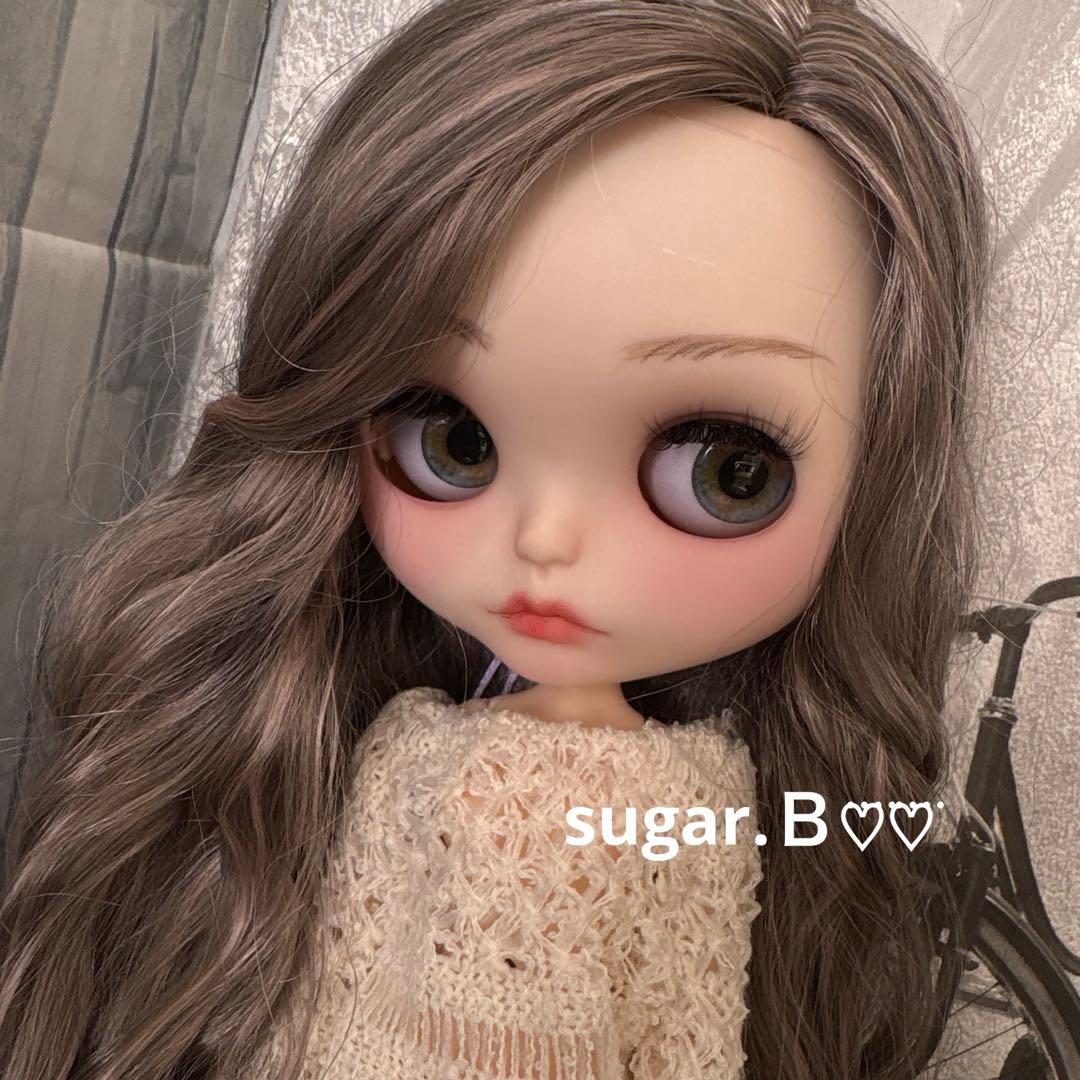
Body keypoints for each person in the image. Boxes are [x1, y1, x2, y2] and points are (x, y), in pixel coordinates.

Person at [0, 0, 991, 1077]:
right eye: (453, 440)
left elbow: (671, 1030)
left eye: (724, 469)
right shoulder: (417, 739)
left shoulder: (665, 807)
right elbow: (324, 989)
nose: (545, 540)